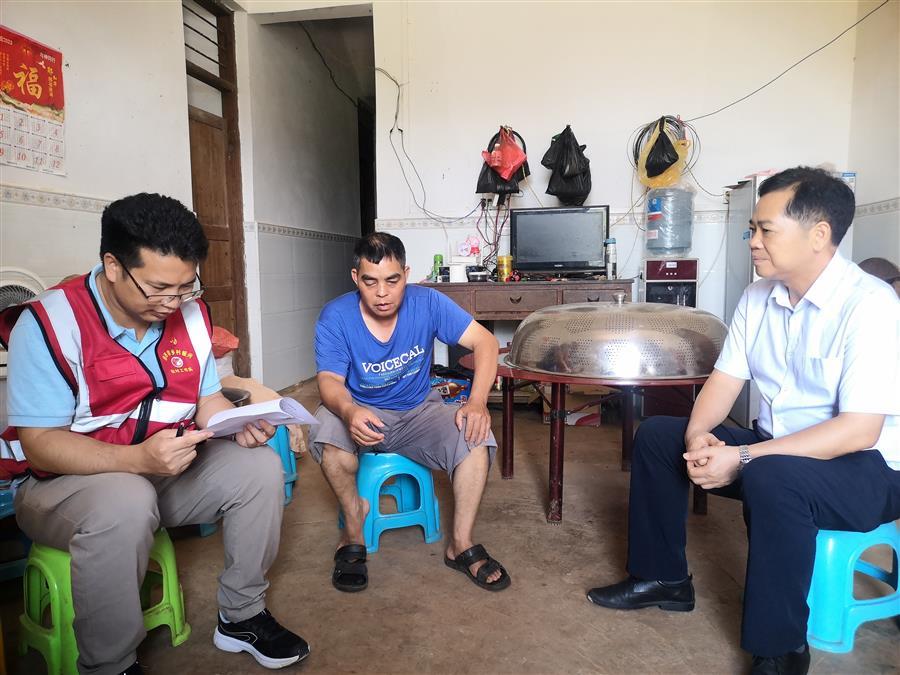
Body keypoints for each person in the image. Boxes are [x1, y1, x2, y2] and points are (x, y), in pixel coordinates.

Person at [586, 167, 900, 675]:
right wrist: (699, 439)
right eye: (751, 228)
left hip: (867, 468)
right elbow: (724, 382)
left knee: (772, 476)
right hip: (776, 450)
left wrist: (744, 455)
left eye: (765, 229)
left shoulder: (870, 305)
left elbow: (859, 430)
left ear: (818, 234)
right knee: (659, 436)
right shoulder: (759, 297)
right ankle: (663, 579)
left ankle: (779, 651)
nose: (753, 240)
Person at [0, 194, 309, 674]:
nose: (173, 302)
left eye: (186, 287)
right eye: (159, 288)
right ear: (113, 266)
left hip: (158, 474)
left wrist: (235, 423)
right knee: (125, 499)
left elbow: (206, 399)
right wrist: (136, 461)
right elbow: (40, 444)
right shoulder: (49, 324)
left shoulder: (190, 315)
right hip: (59, 487)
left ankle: (242, 615)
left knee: (259, 468)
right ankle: (110, 664)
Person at [310, 233, 510, 593]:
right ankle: (353, 528)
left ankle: (460, 543)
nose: (382, 293)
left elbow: (486, 342)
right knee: (328, 438)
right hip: (359, 411)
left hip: (418, 412)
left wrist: (477, 401)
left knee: (475, 438)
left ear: (406, 274)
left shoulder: (427, 302)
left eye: (392, 280)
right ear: (356, 278)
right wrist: (349, 410)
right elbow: (329, 381)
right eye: (370, 282)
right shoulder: (336, 316)